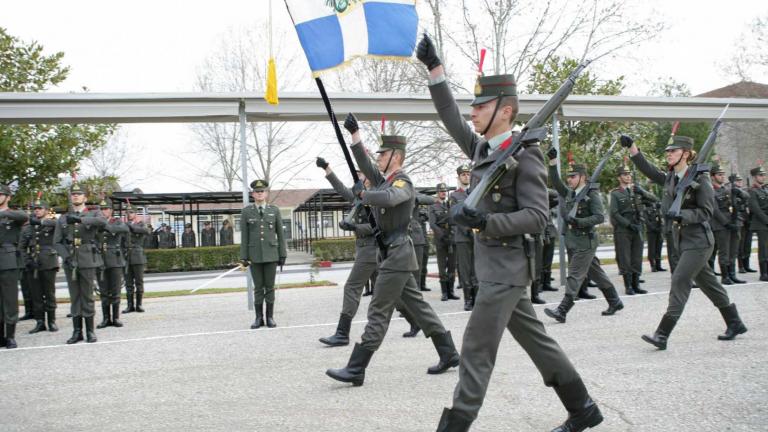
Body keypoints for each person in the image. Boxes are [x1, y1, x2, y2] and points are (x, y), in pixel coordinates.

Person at [419, 34, 603, 431]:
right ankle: (583, 408)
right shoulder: (485, 150)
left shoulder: (527, 155)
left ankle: (455, 425)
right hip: (494, 266)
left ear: (506, 111)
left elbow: (538, 216)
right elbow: (451, 118)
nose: (473, 113)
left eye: (481, 106)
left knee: (475, 349)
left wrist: (486, 222)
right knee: (539, 343)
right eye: (474, 106)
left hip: (506, 266)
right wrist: (436, 74)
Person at [325, 113, 460, 387]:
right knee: (419, 308)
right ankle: (449, 353)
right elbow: (363, 163)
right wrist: (355, 136)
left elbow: (389, 198)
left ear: (395, 156)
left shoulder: (402, 182)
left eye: (382, 154)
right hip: (391, 253)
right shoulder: (384, 179)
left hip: (397, 254)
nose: (378, 159)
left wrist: (364, 195)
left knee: (378, 310)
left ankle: (356, 368)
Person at [624, 134, 747, 349]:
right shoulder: (672, 178)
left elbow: (707, 212)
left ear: (686, 154)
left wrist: (682, 216)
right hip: (683, 241)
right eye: (668, 151)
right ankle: (734, 322)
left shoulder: (701, 179)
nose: (669, 154)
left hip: (699, 241)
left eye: (674, 151)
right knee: (709, 285)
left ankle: (662, 335)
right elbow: (649, 170)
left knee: (680, 280)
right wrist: (633, 148)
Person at [544, 157, 624, 323]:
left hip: (585, 241)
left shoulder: (591, 194)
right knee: (596, 272)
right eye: (569, 177)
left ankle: (562, 310)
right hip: (573, 241)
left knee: (574, 275)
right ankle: (615, 301)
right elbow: (557, 183)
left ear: (582, 177)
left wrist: (579, 222)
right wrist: (552, 163)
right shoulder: (571, 194)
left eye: (573, 177)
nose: (569, 180)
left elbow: (599, 217)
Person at [316, 159, 377, 347]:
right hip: (370, 251)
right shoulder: (360, 196)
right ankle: (421, 325)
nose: (357, 176)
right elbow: (341, 188)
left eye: (360, 173)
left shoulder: (376, 195)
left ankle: (342, 333)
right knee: (400, 293)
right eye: (356, 174)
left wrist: (355, 227)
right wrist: (327, 169)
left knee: (351, 287)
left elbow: (379, 226)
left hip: (371, 250)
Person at [53, 181, 107, 344]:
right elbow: (57, 241)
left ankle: (90, 331)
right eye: (73, 194)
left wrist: (80, 220)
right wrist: (66, 257)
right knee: (75, 296)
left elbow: (103, 223)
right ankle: (77, 331)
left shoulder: (93, 214)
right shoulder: (63, 218)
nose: (75, 196)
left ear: (85, 197)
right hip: (71, 260)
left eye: (79, 194)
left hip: (87, 259)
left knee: (87, 296)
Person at [240, 179, 287, 329]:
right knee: (258, 287)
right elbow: (244, 237)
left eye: (262, 191)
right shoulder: (247, 211)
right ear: (253, 194)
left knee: (270, 287)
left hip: (271, 254)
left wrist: (282, 254)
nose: (260, 194)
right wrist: (244, 257)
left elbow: (280, 234)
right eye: (257, 191)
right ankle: (258, 318)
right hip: (254, 256)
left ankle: (270, 317)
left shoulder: (274, 210)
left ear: (266, 193)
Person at [609, 165, 654, 295]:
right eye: (624, 174)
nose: (628, 176)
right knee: (625, 258)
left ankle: (636, 284)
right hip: (624, 230)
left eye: (628, 174)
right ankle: (628, 286)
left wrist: (642, 192)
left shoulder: (636, 190)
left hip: (638, 228)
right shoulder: (616, 193)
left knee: (637, 257)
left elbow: (655, 200)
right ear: (619, 178)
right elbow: (615, 213)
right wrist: (628, 224)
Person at [20, 197, 60, 334]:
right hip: (33, 263)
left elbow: (59, 224)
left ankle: (52, 321)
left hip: (48, 262)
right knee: (36, 295)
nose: (37, 211)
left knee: (49, 293)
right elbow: (21, 247)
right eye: (35, 209)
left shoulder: (51, 223)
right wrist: (27, 261)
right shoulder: (28, 227)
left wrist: (42, 221)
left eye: (40, 209)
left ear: (47, 211)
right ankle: (40, 322)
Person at [0, 184, 29, 349]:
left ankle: (10, 335)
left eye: (1, 194)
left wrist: (4, 213)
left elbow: (23, 217)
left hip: (8, 260)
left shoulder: (13, 215)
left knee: (10, 300)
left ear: (8, 197)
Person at [449, 164, 479, 310]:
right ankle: (468, 299)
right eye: (463, 174)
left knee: (477, 269)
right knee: (466, 269)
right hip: (462, 237)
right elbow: (455, 216)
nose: (466, 176)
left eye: (468, 174)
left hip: (477, 236)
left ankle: (478, 298)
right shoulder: (454, 196)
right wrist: (468, 228)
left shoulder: (475, 192)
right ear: (459, 177)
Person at [710, 165, 746, 285]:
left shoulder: (729, 189)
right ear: (713, 176)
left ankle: (732, 274)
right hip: (721, 225)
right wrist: (726, 223)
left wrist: (738, 192)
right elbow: (715, 210)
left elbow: (746, 198)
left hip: (734, 222)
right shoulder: (711, 191)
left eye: (723, 174)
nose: (722, 176)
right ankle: (725, 276)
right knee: (724, 251)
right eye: (719, 174)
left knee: (733, 250)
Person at [96, 198, 129, 328]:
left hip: (115, 259)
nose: (104, 211)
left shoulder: (117, 221)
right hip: (101, 259)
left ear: (111, 210)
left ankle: (115, 318)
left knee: (115, 290)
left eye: (106, 209)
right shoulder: (96, 223)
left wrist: (105, 225)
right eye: (102, 209)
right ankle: (105, 318)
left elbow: (124, 229)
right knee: (103, 291)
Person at [429, 183, 459, 301]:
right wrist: (442, 235)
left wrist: (452, 234)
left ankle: (451, 291)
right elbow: (432, 223)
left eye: (444, 191)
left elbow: (455, 221)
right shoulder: (433, 206)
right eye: (441, 191)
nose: (443, 193)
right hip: (441, 239)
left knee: (452, 266)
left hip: (452, 238)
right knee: (442, 267)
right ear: (437, 192)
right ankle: (444, 293)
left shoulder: (450, 205)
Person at [125, 204, 150, 313]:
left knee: (139, 282)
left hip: (137, 255)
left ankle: (139, 305)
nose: (129, 214)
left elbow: (145, 231)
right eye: (128, 212)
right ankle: (130, 305)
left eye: (131, 212)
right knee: (128, 283)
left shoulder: (141, 224)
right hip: (127, 256)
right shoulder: (124, 225)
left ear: (135, 214)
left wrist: (131, 226)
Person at [748, 166, 768, 281]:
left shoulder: (765, 189)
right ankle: (763, 273)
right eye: (761, 175)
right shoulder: (752, 191)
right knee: (763, 248)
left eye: (764, 175)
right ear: (755, 177)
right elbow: (756, 209)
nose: (763, 177)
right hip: (761, 223)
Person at [643, 183, 666, 272]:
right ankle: (653, 265)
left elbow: (661, 217)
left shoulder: (657, 207)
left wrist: (660, 227)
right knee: (651, 248)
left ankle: (658, 264)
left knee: (658, 247)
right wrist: (652, 227)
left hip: (658, 229)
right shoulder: (646, 209)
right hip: (651, 231)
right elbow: (646, 220)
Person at [734, 175, 755, 273]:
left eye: (740, 180)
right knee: (740, 244)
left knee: (748, 244)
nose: (739, 182)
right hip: (740, 220)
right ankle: (741, 266)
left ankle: (747, 264)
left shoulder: (744, 192)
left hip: (748, 220)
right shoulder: (733, 193)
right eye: (737, 181)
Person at [540, 189, 560, 293]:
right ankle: (538, 284)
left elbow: (557, 195)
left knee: (548, 259)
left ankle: (546, 283)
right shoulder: (532, 197)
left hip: (550, 231)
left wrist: (542, 188)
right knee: (539, 260)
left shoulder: (546, 199)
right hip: (538, 232)